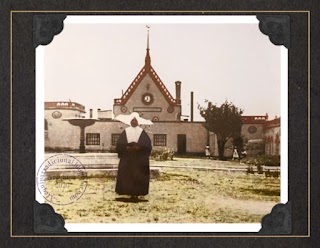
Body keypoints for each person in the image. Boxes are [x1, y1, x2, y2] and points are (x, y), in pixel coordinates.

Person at [115, 117, 152, 199]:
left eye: (135, 120)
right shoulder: (126, 131)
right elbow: (119, 144)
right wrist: (126, 148)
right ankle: (127, 191)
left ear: (138, 122)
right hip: (128, 157)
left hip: (138, 158)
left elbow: (147, 145)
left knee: (138, 175)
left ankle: (137, 192)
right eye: (132, 120)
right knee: (128, 174)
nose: (134, 122)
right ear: (130, 121)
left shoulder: (142, 132)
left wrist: (139, 148)